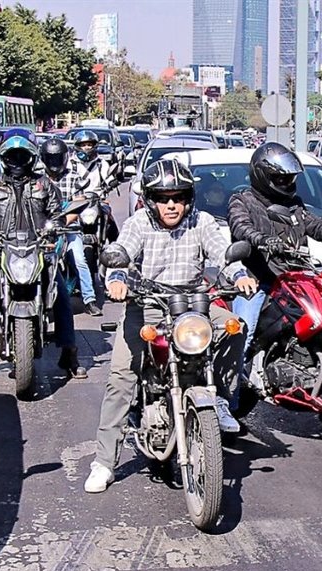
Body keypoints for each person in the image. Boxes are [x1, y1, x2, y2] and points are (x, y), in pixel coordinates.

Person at [84, 158, 257, 493]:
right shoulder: (139, 224)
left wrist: (239, 275)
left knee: (235, 325)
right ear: (151, 200)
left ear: (189, 197)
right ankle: (104, 463)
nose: (172, 204)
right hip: (147, 308)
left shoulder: (201, 221)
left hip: (192, 307)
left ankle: (219, 396)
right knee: (121, 379)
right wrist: (117, 279)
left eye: (178, 197)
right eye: (164, 198)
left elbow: (224, 254)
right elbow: (122, 251)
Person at [226, 142, 322, 410]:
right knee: (241, 334)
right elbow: (240, 227)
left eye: (289, 178)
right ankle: (226, 407)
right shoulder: (242, 200)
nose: (287, 182)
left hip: (294, 279)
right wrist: (263, 241)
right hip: (258, 280)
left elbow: (316, 225)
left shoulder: (294, 204)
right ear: (263, 176)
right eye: (281, 178)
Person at [0, 128, 86, 380]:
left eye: (22, 155)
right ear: (4, 158)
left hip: (38, 250)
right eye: (12, 156)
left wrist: (55, 229)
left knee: (61, 294)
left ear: (32, 157)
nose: (17, 161)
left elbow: (56, 213)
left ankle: (69, 351)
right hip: (2, 249)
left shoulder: (43, 184)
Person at [40, 137, 102, 317]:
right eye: (50, 159)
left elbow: (79, 204)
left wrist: (63, 222)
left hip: (68, 229)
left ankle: (89, 300)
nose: (54, 162)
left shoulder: (74, 177)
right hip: (42, 231)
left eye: (57, 158)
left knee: (79, 260)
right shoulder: (37, 178)